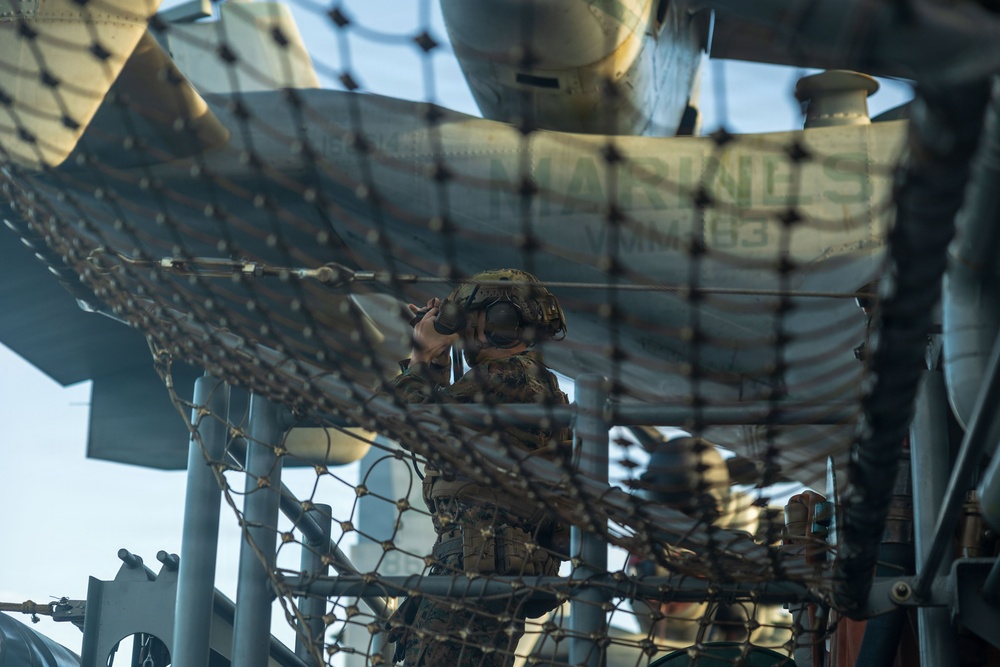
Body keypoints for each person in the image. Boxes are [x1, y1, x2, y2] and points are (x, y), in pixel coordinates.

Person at [380, 268, 570, 667]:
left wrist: (421, 355)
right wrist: (434, 363)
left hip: (477, 572)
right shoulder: (531, 383)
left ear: (498, 322)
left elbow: (399, 418)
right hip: (485, 565)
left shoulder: (508, 380)